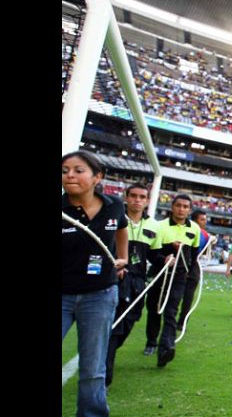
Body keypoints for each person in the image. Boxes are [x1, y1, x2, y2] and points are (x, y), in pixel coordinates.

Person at [62, 150, 128, 416]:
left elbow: (121, 228)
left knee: (93, 367)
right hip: (61, 293)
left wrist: (122, 257)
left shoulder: (113, 205)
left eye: (78, 170)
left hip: (100, 294)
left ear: (97, 177)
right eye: (65, 170)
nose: (70, 175)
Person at [106, 183, 163, 388]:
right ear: (126, 197)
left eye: (142, 197)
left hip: (139, 281)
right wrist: (114, 266)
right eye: (134, 196)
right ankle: (105, 373)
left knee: (130, 320)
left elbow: (154, 255)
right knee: (115, 324)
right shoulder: (114, 220)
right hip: (117, 277)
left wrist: (165, 260)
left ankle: (107, 353)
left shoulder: (154, 226)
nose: (137, 200)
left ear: (147, 200)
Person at [143, 194, 200, 367]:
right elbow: (151, 253)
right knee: (154, 308)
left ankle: (166, 349)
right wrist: (164, 258)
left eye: (185, 206)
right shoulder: (159, 226)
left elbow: (194, 254)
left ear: (189, 210)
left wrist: (187, 271)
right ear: (172, 207)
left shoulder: (194, 229)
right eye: (178, 205)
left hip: (179, 277)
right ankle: (151, 342)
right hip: (160, 274)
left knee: (171, 310)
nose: (181, 209)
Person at [177, 209, 210, 328]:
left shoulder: (204, 234)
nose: (204, 222)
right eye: (202, 219)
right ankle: (182, 322)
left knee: (185, 296)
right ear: (195, 220)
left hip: (190, 264)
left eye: (205, 220)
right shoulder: (203, 234)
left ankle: (180, 321)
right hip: (188, 264)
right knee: (186, 296)